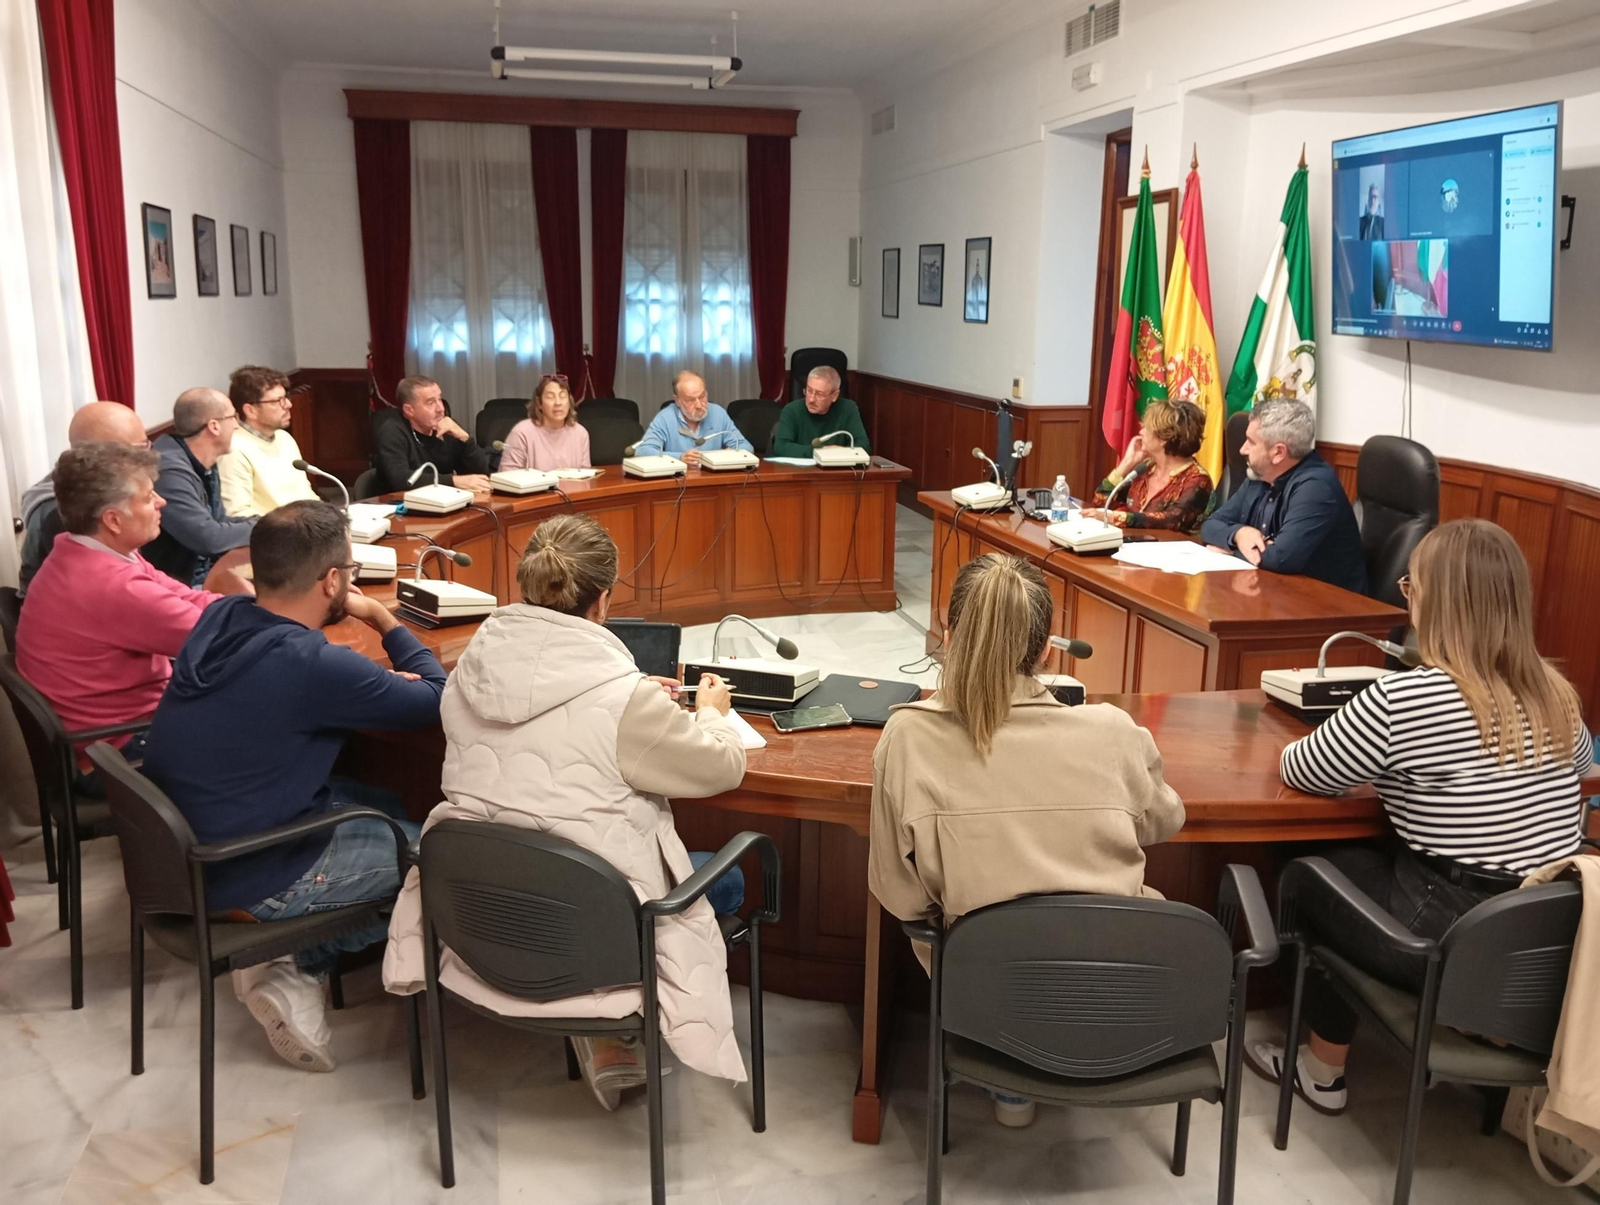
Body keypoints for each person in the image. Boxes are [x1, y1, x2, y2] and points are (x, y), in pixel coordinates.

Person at [384, 513, 749, 1111]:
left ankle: (600, 1036)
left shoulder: (467, 669)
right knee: (728, 878)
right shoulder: (625, 699)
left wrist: (634, 700)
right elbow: (723, 767)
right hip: (592, 936)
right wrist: (711, 712)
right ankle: (609, 1031)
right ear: (602, 601)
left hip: (480, 916)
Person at [1246, 519, 1593, 1116]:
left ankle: (1322, 1069)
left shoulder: (1405, 699)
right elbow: (1581, 763)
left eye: (1412, 587)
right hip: (1546, 946)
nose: (1407, 599)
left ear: (1436, 602)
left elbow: (1301, 769)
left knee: (1305, 859)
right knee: (1385, 859)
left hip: (1446, 939)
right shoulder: (1557, 694)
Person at [868, 553, 1185, 1128]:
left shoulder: (908, 738)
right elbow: (1165, 822)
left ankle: (1012, 1071)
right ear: (1046, 653)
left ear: (948, 635)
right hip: (1118, 989)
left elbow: (901, 895)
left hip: (986, 996)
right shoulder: (1114, 732)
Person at [142, 500, 444, 1073]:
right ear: (333, 580)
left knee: (385, 801)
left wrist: (359, 683)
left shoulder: (221, 617)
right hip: (251, 871)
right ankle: (296, 962)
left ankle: (286, 960)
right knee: (443, 854)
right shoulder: (313, 665)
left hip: (186, 854)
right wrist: (382, 619)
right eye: (349, 571)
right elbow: (436, 698)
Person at [14, 444, 233, 782]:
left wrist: (250, 605)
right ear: (113, 520)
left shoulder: (83, 549)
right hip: (119, 751)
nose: (161, 502)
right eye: (148, 497)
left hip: (108, 732)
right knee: (272, 711)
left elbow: (186, 597)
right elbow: (219, 639)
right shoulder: (112, 585)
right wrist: (280, 610)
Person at [1200, 397, 1368, 595]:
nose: (1242, 449)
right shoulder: (1260, 475)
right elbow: (1210, 525)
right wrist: (1239, 534)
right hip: (1274, 592)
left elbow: (1281, 558)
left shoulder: (1316, 487)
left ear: (1278, 453)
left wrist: (1228, 550)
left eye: (1251, 442)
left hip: (1329, 603)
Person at [18, 401, 151, 599]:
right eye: (140, 449)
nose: (148, 456)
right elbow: (104, 590)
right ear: (102, 456)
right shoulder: (65, 509)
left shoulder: (102, 488)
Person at [143, 388, 257, 587]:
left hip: (205, 573)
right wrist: (266, 527)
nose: (237, 425)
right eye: (233, 417)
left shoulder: (205, 459)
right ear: (214, 426)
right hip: (178, 585)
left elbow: (217, 521)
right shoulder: (168, 470)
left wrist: (266, 522)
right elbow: (209, 539)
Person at [1081, 399, 1213, 532]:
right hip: (1128, 541)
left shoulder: (1197, 479)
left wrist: (1115, 517)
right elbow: (1100, 503)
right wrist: (1126, 464)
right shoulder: (1146, 468)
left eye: (1147, 428)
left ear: (1164, 438)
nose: (1141, 432)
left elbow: (1171, 521)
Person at [217, 365, 318, 516]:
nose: (288, 405)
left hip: (306, 522)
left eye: (286, 397)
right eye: (277, 401)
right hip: (274, 529)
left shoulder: (284, 438)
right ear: (251, 410)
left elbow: (305, 493)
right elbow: (238, 513)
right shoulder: (233, 449)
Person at [371, 376, 492, 494]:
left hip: (443, 501)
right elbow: (401, 480)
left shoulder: (446, 428)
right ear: (409, 410)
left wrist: (465, 438)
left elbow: (482, 473)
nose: (440, 409)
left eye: (439, 399)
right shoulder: (392, 431)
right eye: (430, 403)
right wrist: (453, 481)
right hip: (397, 503)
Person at [631, 371, 754, 467]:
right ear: (677, 400)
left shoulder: (718, 413)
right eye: (690, 400)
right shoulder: (665, 418)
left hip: (713, 479)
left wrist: (725, 455)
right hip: (678, 482)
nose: (699, 405)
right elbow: (643, 451)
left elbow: (746, 447)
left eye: (702, 397)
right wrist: (680, 457)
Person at [770, 366, 870, 459]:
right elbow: (781, 448)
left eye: (819, 394)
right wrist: (821, 452)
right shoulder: (792, 410)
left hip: (836, 469)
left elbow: (863, 445)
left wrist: (839, 453)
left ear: (835, 396)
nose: (811, 399)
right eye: (809, 391)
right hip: (799, 470)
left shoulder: (848, 409)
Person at [497, 373, 591, 471]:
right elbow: (507, 476)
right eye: (550, 397)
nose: (558, 403)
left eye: (562, 396)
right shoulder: (521, 433)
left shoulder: (580, 433)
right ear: (539, 403)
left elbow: (586, 475)